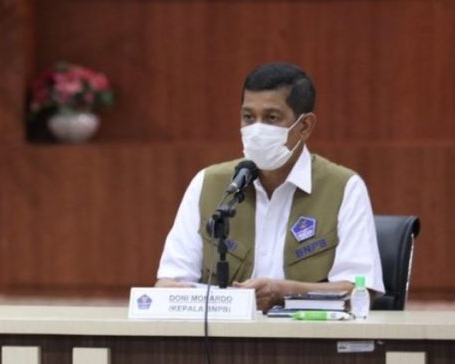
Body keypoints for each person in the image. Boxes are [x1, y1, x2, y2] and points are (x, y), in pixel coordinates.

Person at [155, 62, 384, 311]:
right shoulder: (210, 184)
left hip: (310, 342)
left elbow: (360, 292)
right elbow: (169, 283)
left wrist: (285, 293)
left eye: (271, 118)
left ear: (304, 126)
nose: (257, 129)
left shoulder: (344, 188)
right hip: (224, 342)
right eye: (248, 117)